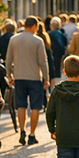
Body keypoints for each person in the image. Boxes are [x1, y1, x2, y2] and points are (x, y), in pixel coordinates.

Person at [6, 16, 50, 146]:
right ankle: (32, 134)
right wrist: (46, 78)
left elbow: (9, 59)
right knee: (35, 106)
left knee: (21, 105)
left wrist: (9, 75)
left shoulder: (14, 39)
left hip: (19, 77)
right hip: (35, 77)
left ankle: (22, 131)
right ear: (35, 26)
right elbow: (43, 61)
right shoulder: (38, 41)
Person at [47, 18, 68, 85]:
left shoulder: (49, 34)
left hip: (51, 56)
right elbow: (65, 46)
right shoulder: (62, 34)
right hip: (59, 57)